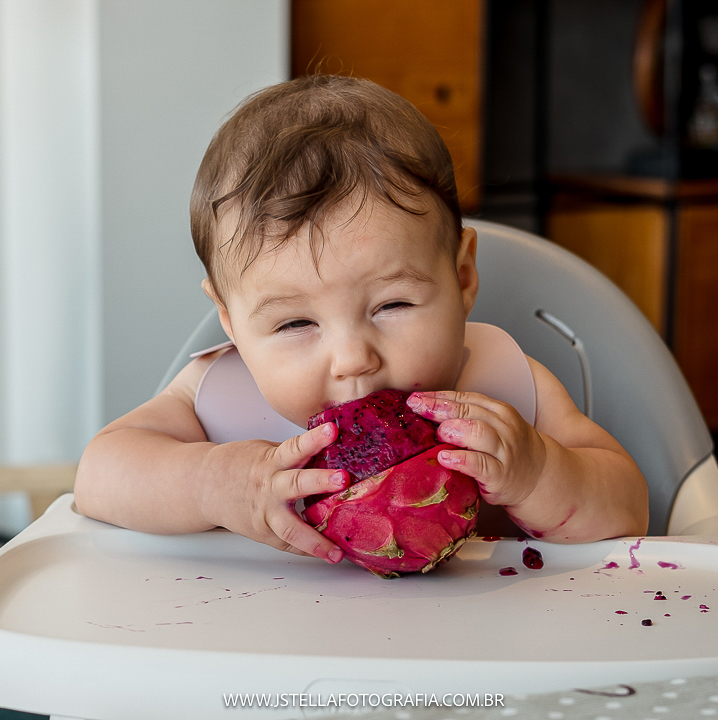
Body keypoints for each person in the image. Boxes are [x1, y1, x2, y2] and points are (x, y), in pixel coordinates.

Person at [74, 75, 648, 565]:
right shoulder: (219, 399)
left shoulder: (507, 387)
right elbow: (99, 476)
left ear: (463, 277)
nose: (354, 359)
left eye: (391, 305)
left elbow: (629, 507)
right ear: (229, 319)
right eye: (296, 324)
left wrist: (538, 472)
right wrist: (215, 483)